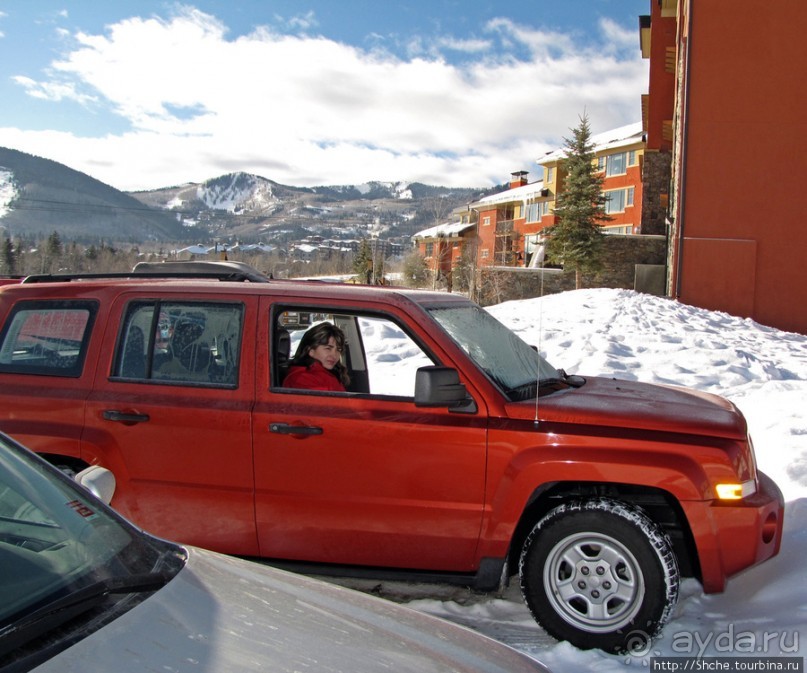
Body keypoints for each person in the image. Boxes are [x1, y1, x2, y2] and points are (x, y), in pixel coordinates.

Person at [282, 322, 349, 392]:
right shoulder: (302, 379)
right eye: (328, 348)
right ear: (311, 350)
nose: (334, 355)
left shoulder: (331, 373)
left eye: (338, 350)